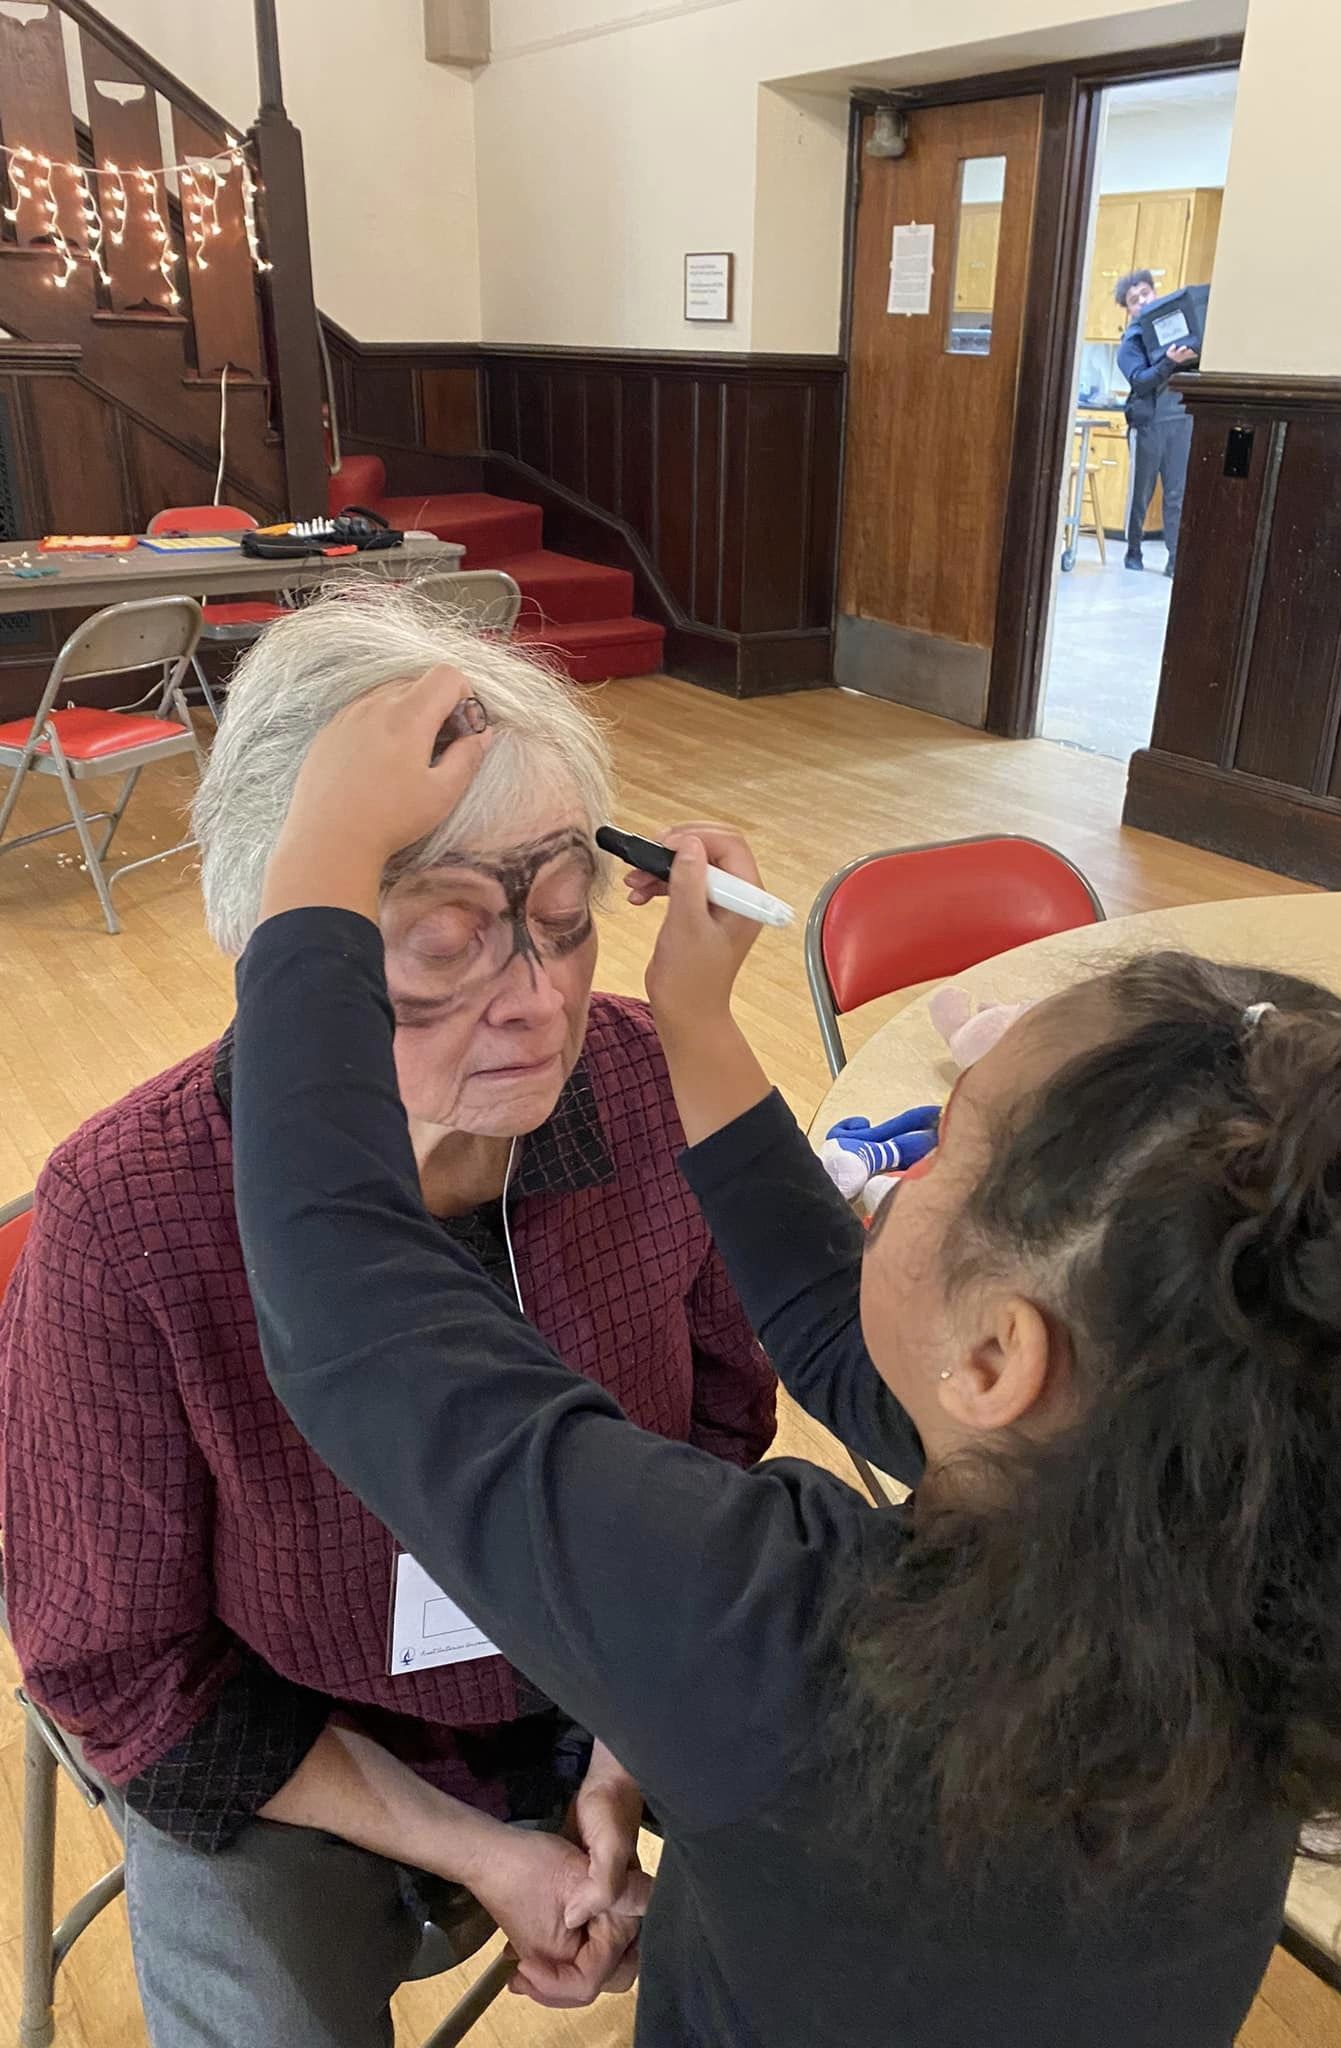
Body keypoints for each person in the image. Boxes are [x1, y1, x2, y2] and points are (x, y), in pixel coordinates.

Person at [230, 670, 1341, 2048]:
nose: (894, 1180)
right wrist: (697, 1020)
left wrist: (319, 864)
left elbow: (351, 1307)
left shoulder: (781, 1643)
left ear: (995, 1362)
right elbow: (838, 1330)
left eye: (943, 1144)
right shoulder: (1237, 1539)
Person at [0, 591, 776, 2046]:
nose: (538, 1004)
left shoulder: (637, 1086)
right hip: (307, 1742)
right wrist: (489, 1854)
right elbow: (124, 1669)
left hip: (605, 1663)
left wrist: (619, 1758)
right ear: (284, 949)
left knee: (873, 1862)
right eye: (443, 941)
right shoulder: (125, 1214)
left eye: (562, 928)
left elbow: (719, 1434)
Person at [1116, 266, 1200, 576]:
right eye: (1133, 299)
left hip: (1181, 420)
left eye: (1145, 293)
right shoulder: (1130, 344)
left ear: (1156, 293)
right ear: (1128, 311)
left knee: (1177, 493)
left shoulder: (1179, 330)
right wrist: (1169, 363)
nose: (1141, 301)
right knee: (1142, 492)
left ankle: (1175, 558)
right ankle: (1133, 550)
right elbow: (1141, 381)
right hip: (1148, 424)